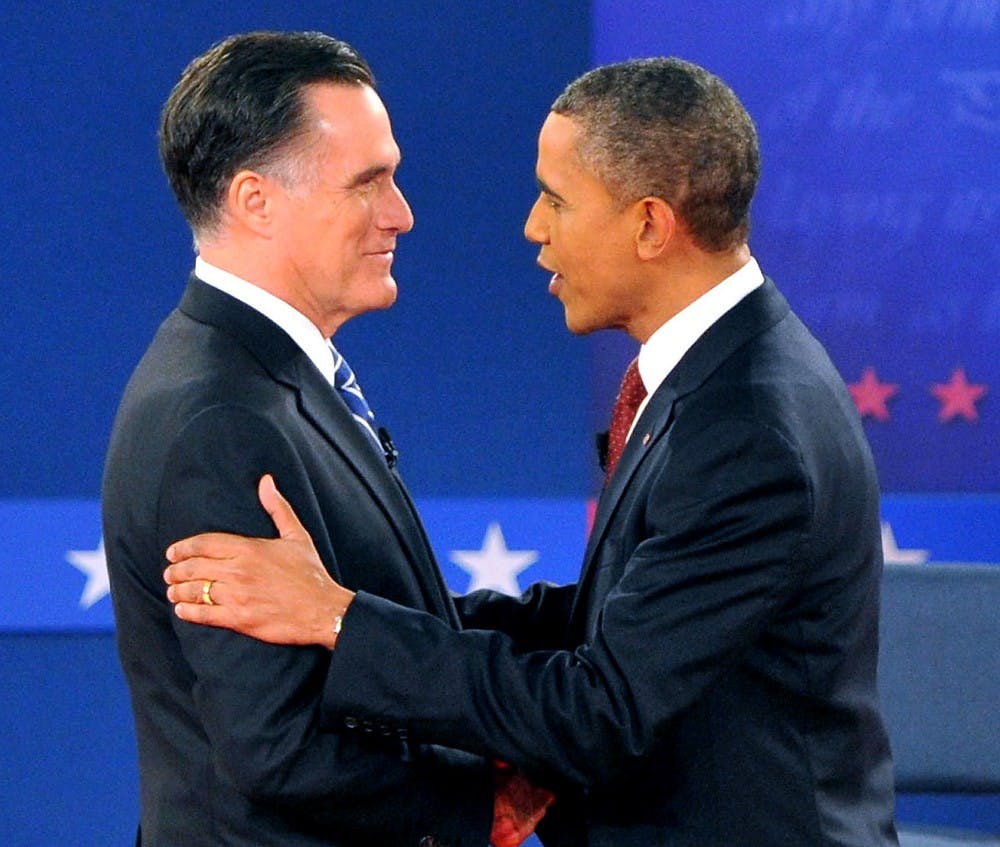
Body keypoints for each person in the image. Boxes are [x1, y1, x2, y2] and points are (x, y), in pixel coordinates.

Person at [164, 57, 900, 846]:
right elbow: (618, 613)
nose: (533, 227)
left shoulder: (748, 427)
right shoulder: (722, 372)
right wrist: (359, 606)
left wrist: (342, 619)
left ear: (650, 226)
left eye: (556, 200)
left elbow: (602, 710)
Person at [103, 30, 551, 847]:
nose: (401, 214)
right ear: (256, 201)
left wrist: (595, 633)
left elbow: (375, 601)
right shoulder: (221, 418)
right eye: (368, 183)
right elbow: (275, 741)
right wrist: (474, 803)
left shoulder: (264, 373)